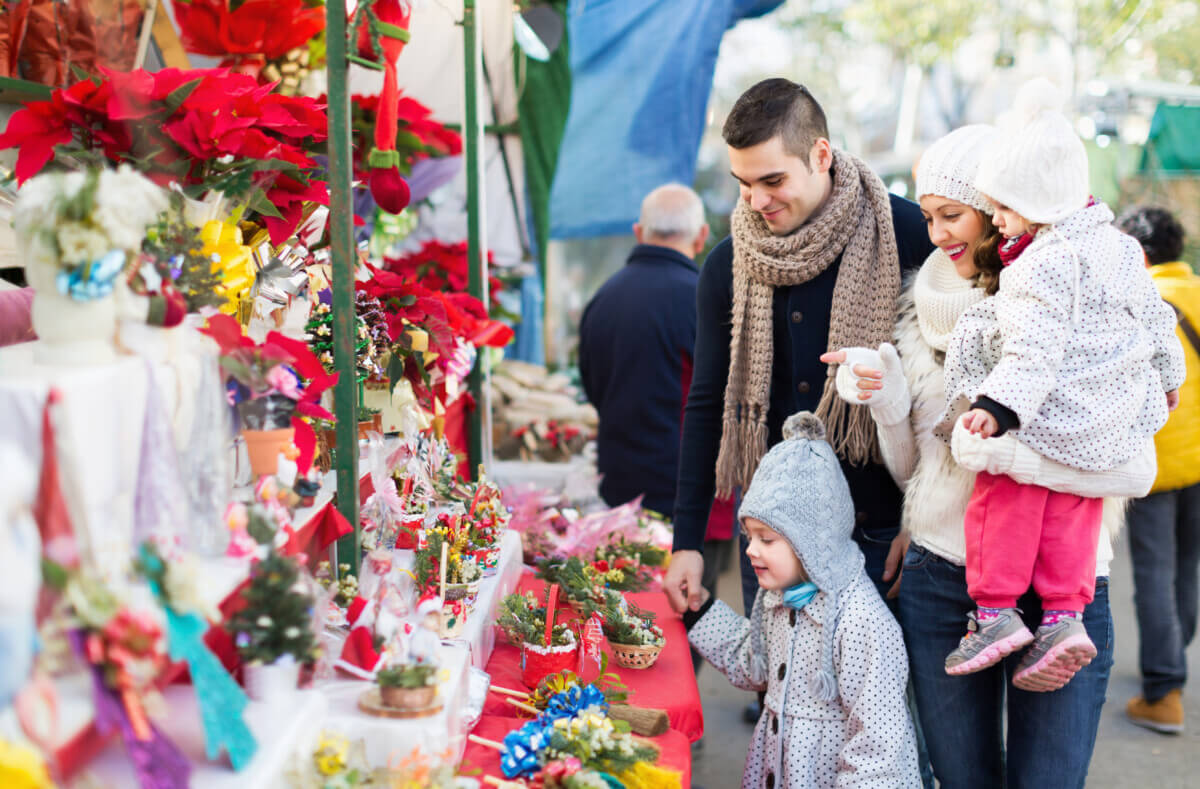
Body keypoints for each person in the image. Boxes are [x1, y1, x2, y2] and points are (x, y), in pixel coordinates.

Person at [826, 123, 1156, 787]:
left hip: (1066, 590)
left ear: (1006, 208)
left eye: (954, 214)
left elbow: (1130, 467)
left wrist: (1006, 456)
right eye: (928, 217)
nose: (940, 234)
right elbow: (917, 476)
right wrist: (888, 398)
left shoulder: (1083, 303)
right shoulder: (921, 311)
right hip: (948, 582)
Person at [931, 79, 1184, 692]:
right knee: (1074, 509)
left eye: (1004, 208)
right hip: (1105, 422)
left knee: (1006, 496)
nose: (997, 219)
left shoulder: (1041, 263)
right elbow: (1157, 320)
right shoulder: (1123, 249)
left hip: (1045, 415)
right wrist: (1170, 380)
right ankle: (1065, 619)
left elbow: (1033, 351)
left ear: (1038, 202)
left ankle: (994, 612)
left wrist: (996, 406)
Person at [665, 78, 933, 625]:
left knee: (880, 704)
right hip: (774, 535)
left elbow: (943, 391)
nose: (758, 201)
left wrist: (922, 522)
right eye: (744, 184)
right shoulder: (726, 264)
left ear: (821, 155)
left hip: (883, 532)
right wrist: (686, 539)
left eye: (773, 180)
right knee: (782, 702)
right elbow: (707, 402)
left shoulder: (911, 237)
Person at [685, 411, 921, 788]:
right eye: (748, 537)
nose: (750, 551)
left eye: (767, 539)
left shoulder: (862, 622)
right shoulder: (779, 598)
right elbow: (754, 663)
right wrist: (699, 613)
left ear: (812, 540)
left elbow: (878, 746)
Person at [1116, 205, 1200, 733]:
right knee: (1186, 566)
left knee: (1153, 573)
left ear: (1139, 253)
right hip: (1199, 462)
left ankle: (1163, 689)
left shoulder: (1140, 305)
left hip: (1156, 465)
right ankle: (1174, 655)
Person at [579, 183, 710, 520]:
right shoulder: (704, 300)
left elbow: (593, 387)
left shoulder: (604, 297)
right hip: (689, 495)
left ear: (639, 233)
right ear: (701, 237)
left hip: (618, 486)